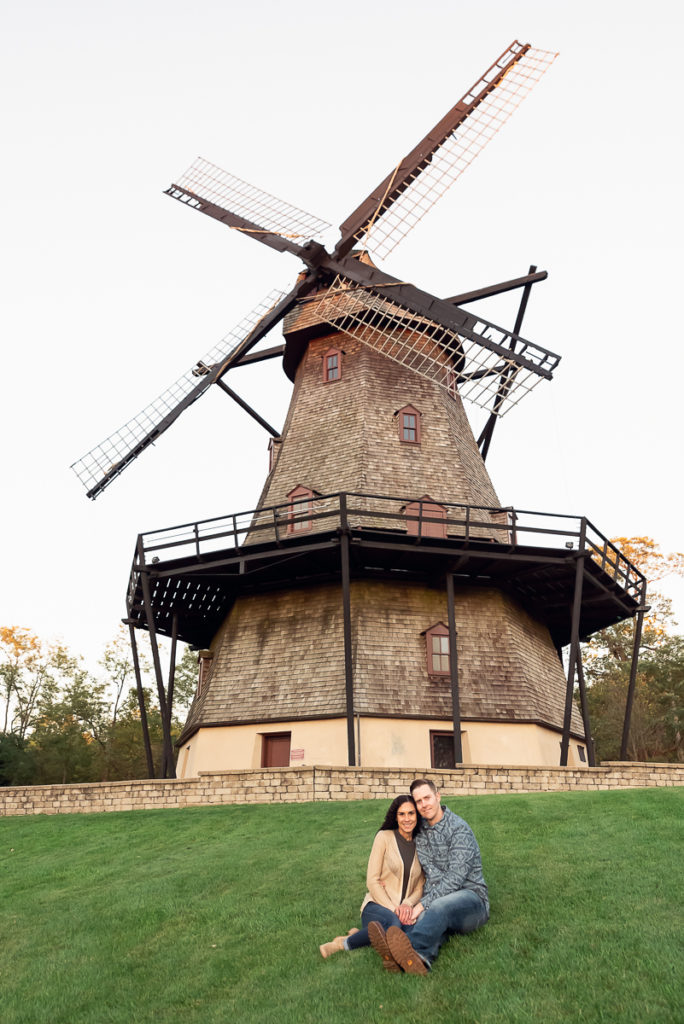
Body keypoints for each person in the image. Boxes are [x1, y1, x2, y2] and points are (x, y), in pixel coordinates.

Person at [367, 778, 489, 975]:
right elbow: (399, 834)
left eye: (427, 798)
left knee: (436, 909)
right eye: (419, 801)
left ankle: (405, 953)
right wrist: (385, 878)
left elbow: (455, 879)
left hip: (471, 900)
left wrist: (422, 905)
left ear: (438, 796)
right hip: (436, 900)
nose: (424, 805)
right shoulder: (420, 830)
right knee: (425, 920)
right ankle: (420, 961)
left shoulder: (459, 829)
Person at [319, 794, 424, 965]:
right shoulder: (384, 837)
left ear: (417, 816)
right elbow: (372, 880)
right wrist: (394, 909)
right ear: (395, 817)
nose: (407, 819)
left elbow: (420, 886)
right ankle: (341, 944)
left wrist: (407, 904)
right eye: (402, 814)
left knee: (410, 934)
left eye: (411, 813)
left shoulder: (422, 845)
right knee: (394, 924)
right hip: (377, 905)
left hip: (404, 908)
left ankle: (360, 934)